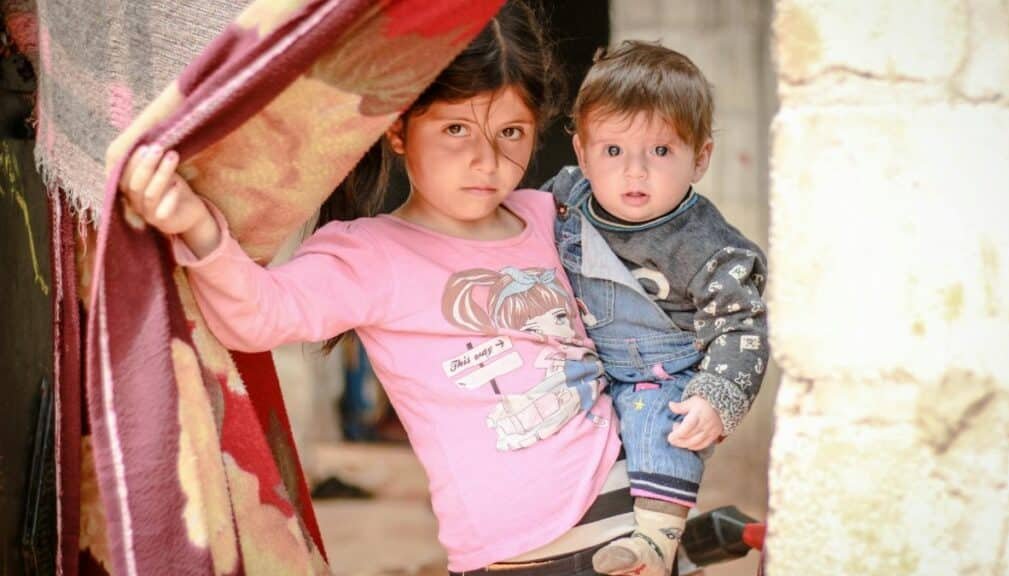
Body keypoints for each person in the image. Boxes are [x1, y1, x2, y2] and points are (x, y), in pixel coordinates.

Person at [118, 3, 653, 573]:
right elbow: (260, 316)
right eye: (455, 128)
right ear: (398, 130)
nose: (487, 160)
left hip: (625, 517)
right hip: (505, 556)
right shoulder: (370, 254)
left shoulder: (554, 216)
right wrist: (196, 225)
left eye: (511, 132)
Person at [543, 41, 769, 576]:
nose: (635, 172)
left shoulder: (711, 247)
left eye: (661, 152)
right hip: (587, 360)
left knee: (661, 431)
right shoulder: (564, 197)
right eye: (613, 151)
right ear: (582, 153)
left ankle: (655, 539)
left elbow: (743, 329)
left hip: (660, 372)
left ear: (701, 157)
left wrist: (716, 399)